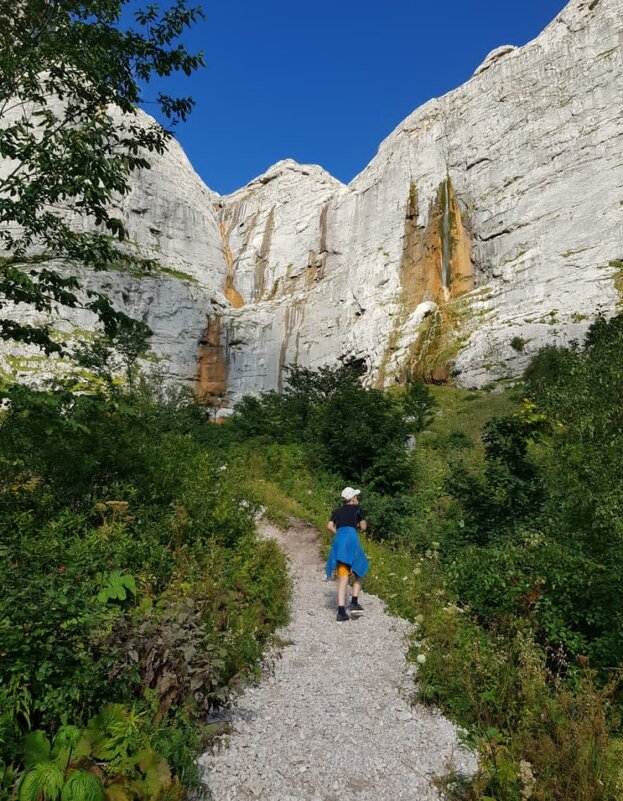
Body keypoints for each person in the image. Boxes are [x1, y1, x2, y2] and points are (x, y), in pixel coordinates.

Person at [325, 486, 369, 622]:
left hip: (339, 542)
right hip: (351, 540)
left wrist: (339, 533)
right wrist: (361, 520)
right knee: (360, 568)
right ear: (352, 499)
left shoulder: (337, 511)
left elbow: (329, 526)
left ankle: (341, 612)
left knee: (343, 576)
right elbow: (363, 527)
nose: (357, 499)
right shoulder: (357, 508)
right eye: (356, 497)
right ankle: (354, 601)